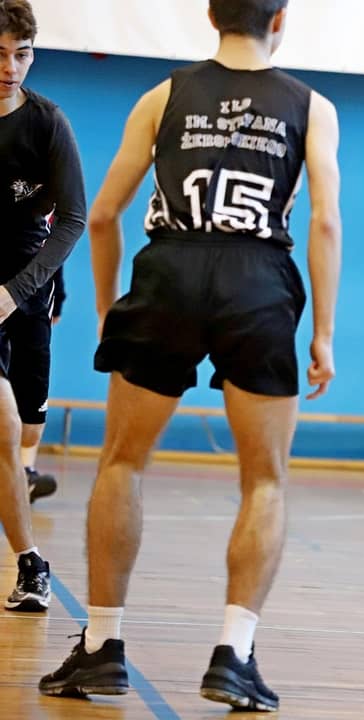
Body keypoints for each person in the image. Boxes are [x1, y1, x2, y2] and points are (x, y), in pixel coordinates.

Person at [39, 0, 341, 711]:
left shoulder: (163, 95)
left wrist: (110, 306)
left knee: (122, 462)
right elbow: (326, 221)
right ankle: (234, 655)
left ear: (211, 14)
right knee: (264, 481)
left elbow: (103, 214)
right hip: (258, 282)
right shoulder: (312, 108)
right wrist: (323, 333)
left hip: (169, 272)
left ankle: (102, 647)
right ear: (280, 19)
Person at [0, 0, 86, 612]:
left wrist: (20, 291)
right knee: (4, 429)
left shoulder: (48, 124)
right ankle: (31, 566)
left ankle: (20, 476)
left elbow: (72, 220)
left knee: (26, 426)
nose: (10, 68)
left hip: (26, 284)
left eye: (21, 55)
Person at [21, 264, 64, 503]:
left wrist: (59, 297)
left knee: (30, 406)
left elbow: (56, 250)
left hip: (35, 296)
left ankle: (25, 471)